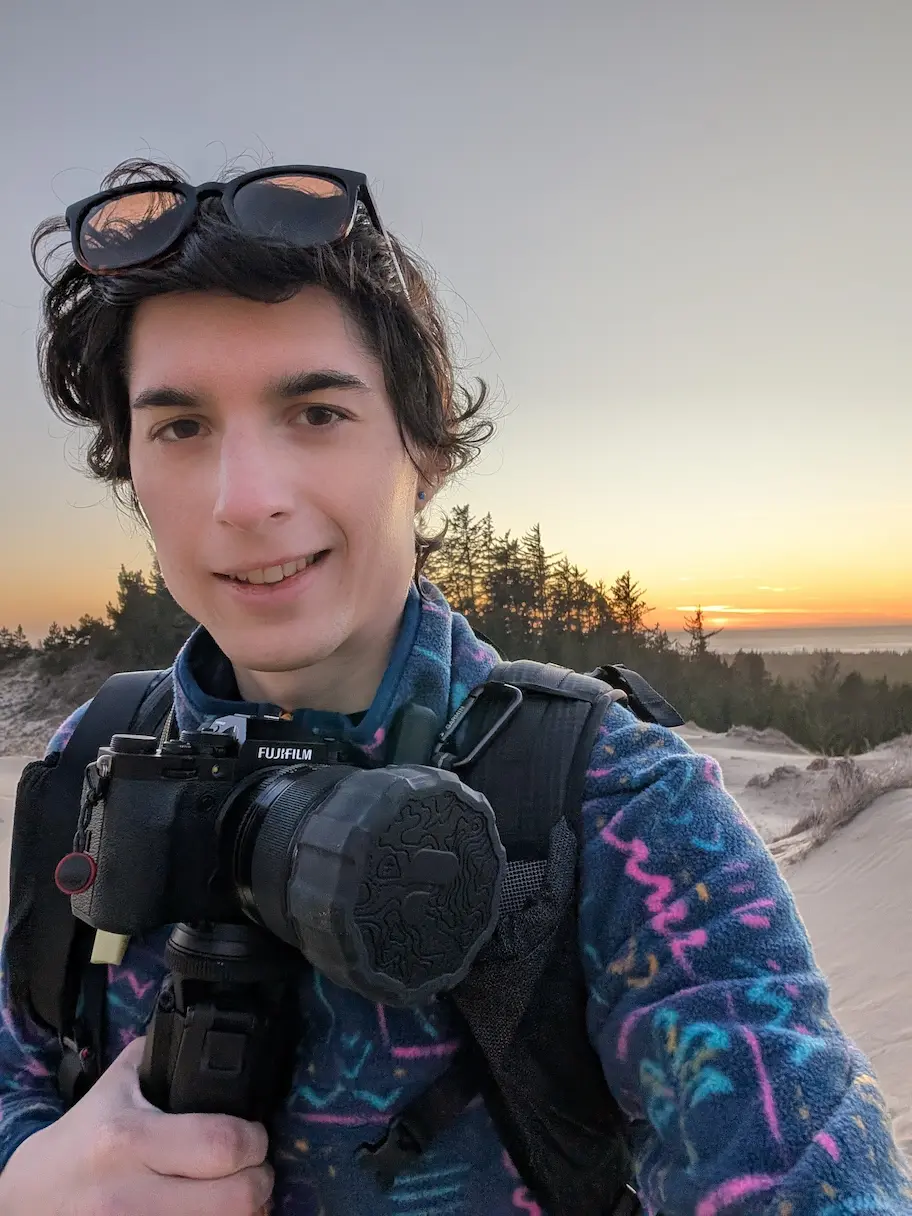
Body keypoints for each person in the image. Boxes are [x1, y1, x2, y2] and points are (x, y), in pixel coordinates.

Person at [0, 157, 909, 1216]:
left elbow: (793, 1165)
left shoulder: (614, 803)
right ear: (133, 468)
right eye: (181, 427)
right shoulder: (91, 758)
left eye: (317, 412)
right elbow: (22, 1067)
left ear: (421, 447)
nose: (245, 500)